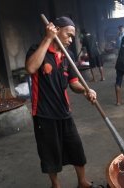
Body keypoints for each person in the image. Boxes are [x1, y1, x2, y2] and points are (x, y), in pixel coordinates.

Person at [25, 16, 101, 188]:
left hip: (64, 110)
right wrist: (47, 38)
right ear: (56, 30)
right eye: (68, 34)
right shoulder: (37, 49)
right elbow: (30, 68)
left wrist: (86, 90)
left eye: (73, 36)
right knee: (50, 153)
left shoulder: (69, 55)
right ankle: (56, 185)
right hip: (44, 113)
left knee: (76, 148)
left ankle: (82, 182)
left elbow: (74, 83)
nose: (71, 39)